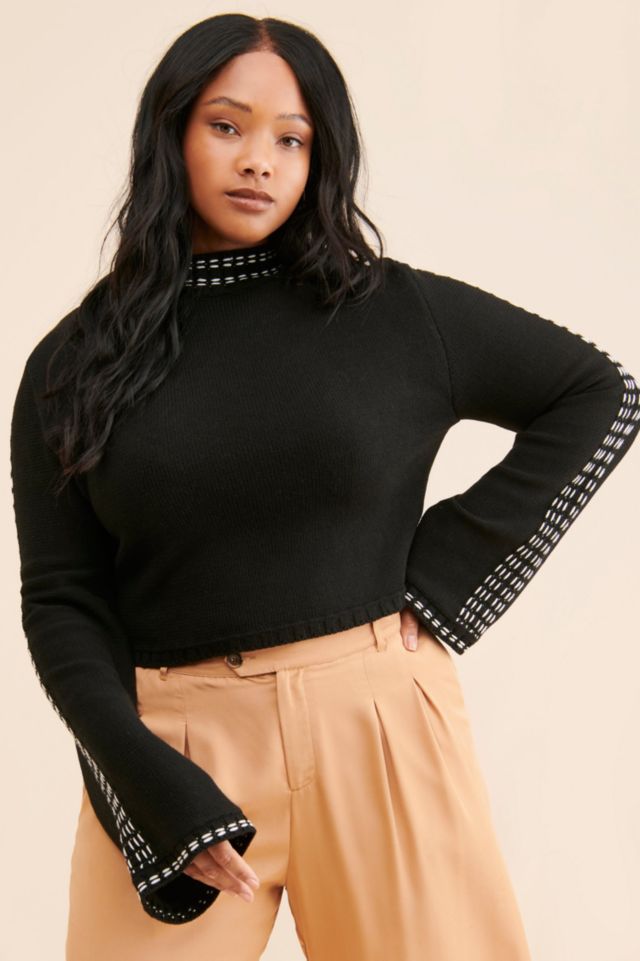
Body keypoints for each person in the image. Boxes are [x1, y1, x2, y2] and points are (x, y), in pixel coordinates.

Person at [9, 13, 639, 961]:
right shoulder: (74, 362)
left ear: (320, 157)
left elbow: (600, 393)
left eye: (292, 138)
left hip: (379, 725)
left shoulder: (390, 312)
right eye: (227, 125)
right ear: (171, 132)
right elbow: (63, 598)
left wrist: (450, 571)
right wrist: (142, 775)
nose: (258, 160)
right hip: (174, 749)